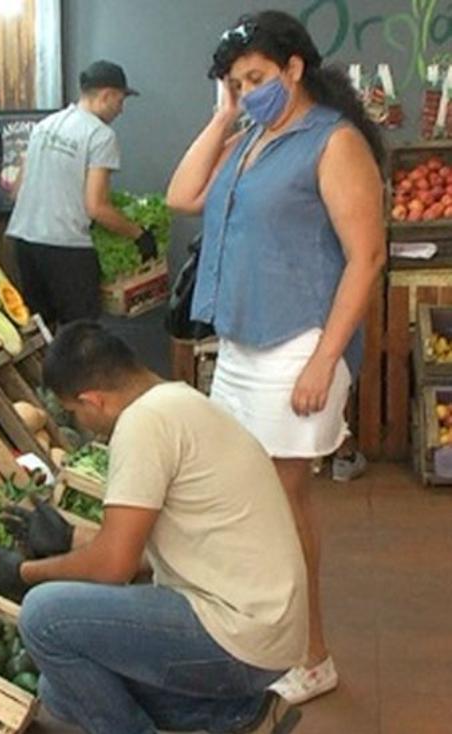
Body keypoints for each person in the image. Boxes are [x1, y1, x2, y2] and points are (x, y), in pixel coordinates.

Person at [165, 10, 385, 703]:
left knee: (281, 501)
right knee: (247, 500)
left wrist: (324, 360)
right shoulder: (254, 135)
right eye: (236, 82)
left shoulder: (333, 141)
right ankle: (262, 642)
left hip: (297, 344)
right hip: (239, 342)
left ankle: (311, 655)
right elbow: (182, 196)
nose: (247, 89)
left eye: (256, 77)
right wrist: (226, 115)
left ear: (295, 68)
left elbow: (367, 255)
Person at [0, 322, 308, 734]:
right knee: (60, 691)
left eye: (75, 412)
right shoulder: (181, 401)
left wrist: (25, 574)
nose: (79, 422)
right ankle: (239, 716)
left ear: (92, 400)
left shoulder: (142, 424)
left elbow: (115, 565)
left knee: (43, 618)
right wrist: (69, 539)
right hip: (268, 635)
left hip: (239, 638)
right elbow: (160, 548)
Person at [5, 60, 158, 328]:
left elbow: (17, 191)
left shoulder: (45, 125)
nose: (121, 110)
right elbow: (96, 207)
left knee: (42, 331)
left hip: (24, 243)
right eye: (121, 100)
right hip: (67, 249)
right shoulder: (100, 135)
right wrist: (140, 234)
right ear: (106, 96)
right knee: (81, 334)